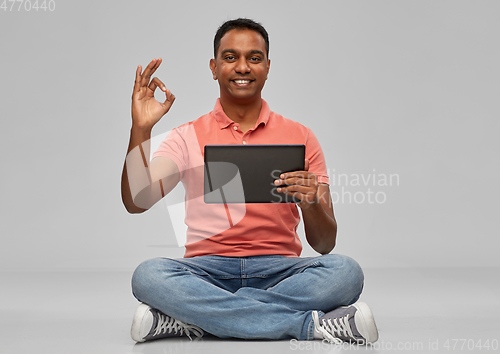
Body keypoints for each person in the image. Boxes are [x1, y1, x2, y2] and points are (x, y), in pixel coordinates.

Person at [121, 18, 378, 345]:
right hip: (206, 273)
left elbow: (325, 244)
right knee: (148, 276)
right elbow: (136, 201)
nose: (242, 66)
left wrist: (311, 202)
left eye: (254, 58)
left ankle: (193, 319)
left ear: (268, 67)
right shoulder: (186, 137)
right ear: (214, 68)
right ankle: (310, 326)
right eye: (230, 57)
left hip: (280, 272)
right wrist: (141, 129)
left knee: (346, 272)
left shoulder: (301, 137)